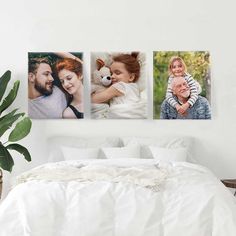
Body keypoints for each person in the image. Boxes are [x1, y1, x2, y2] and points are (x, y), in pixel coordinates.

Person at [91, 52, 146, 119]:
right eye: (111, 73)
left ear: (131, 77)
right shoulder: (135, 87)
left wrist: (92, 95)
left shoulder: (119, 86)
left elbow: (95, 100)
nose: (112, 76)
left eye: (117, 73)